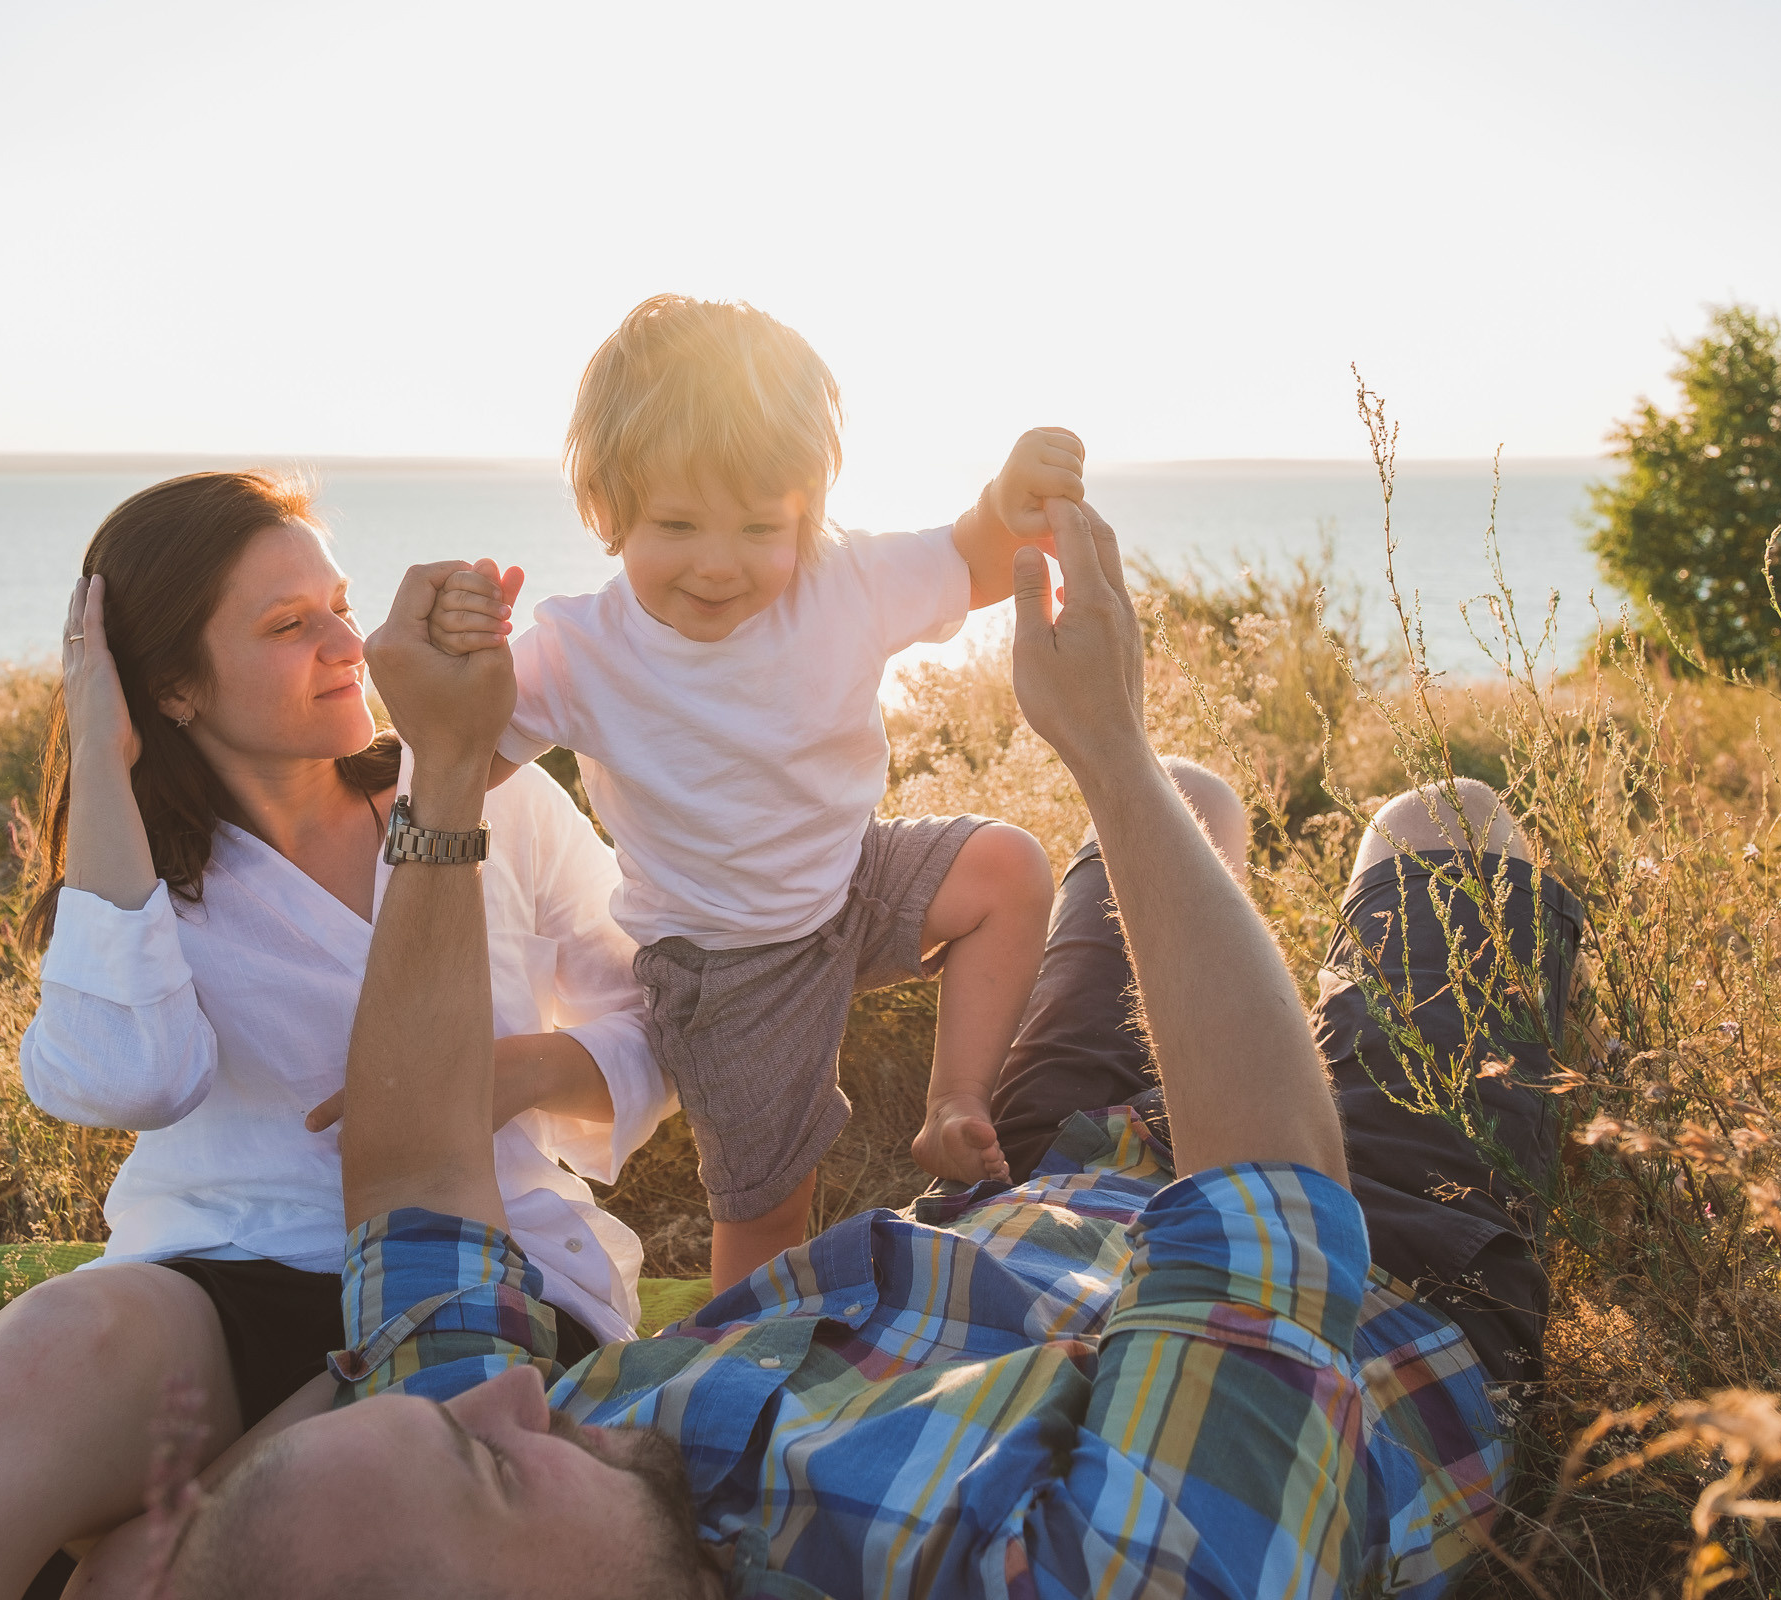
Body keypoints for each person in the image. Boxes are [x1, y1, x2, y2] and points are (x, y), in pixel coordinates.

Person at [154, 497, 1568, 1599]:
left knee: (1192, 801)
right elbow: (1273, 1224)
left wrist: (448, 769)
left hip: (1026, 1193)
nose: (527, 1385)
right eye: (493, 1465)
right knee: (1440, 829)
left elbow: (412, 1190)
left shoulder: (499, 1468)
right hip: (1379, 1268)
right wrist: (1107, 750)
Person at [0, 470, 673, 1600]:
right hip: (228, 1265)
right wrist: (101, 761)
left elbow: (653, 1011)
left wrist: (520, 1071)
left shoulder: (486, 794)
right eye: (290, 626)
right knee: (54, 1339)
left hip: (477, 1253)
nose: (346, 641)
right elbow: (129, 1076)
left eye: (340, 602)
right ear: (172, 688)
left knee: (160, 1566)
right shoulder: (147, 880)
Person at [431, 294, 1061, 1288]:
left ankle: (954, 1105)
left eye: (760, 526)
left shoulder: (841, 579)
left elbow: (975, 557)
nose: (719, 565)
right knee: (772, 1208)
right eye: (676, 524)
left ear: (806, 510)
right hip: (728, 964)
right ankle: (740, 1372)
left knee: (1009, 869)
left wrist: (1010, 496)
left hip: (849, 879)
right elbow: (462, 756)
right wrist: (454, 659)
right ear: (608, 510)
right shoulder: (580, 651)